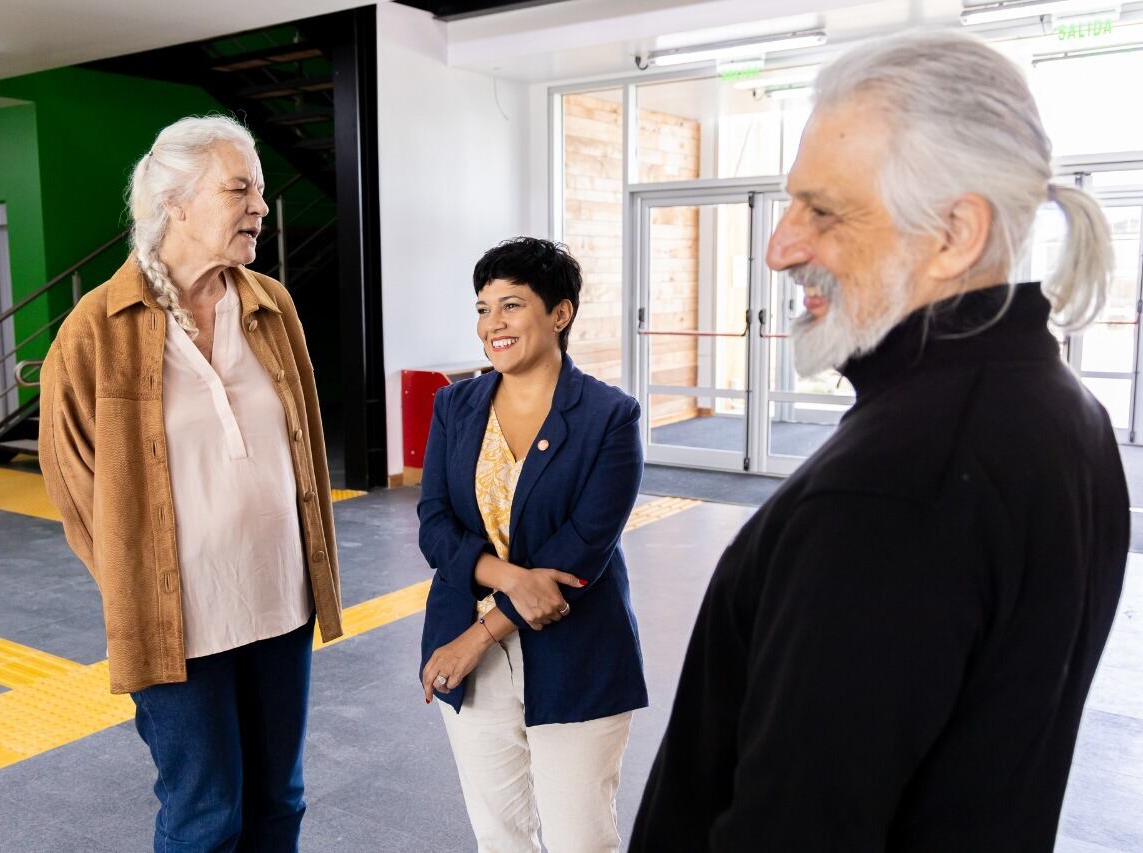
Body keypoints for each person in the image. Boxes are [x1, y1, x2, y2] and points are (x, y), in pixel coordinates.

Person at [631, 30, 1129, 852]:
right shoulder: (1063, 411)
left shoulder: (893, 493)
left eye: (823, 211)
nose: (780, 248)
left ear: (954, 233)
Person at [38, 115, 342, 853]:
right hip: (179, 622)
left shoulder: (273, 305)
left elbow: (301, 439)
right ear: (174, 201)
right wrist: (134, 577)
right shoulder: (95, 330)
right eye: (240, 189)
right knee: (207, 810)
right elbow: (71, 476)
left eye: (262, 192)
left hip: (279, 599)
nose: (261, 208)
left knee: (280, 798)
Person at [418, 237, 648, 853]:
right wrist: (510, 578)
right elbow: (434, 522)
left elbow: (582, 552)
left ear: (560, 313)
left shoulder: (610, 417)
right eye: (482, 308)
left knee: (581, 839)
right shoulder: (454, 406)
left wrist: (478, 636)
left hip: (575, 651)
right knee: (500, 836)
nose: (492, 324)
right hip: (472, 661)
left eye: (511, 305)